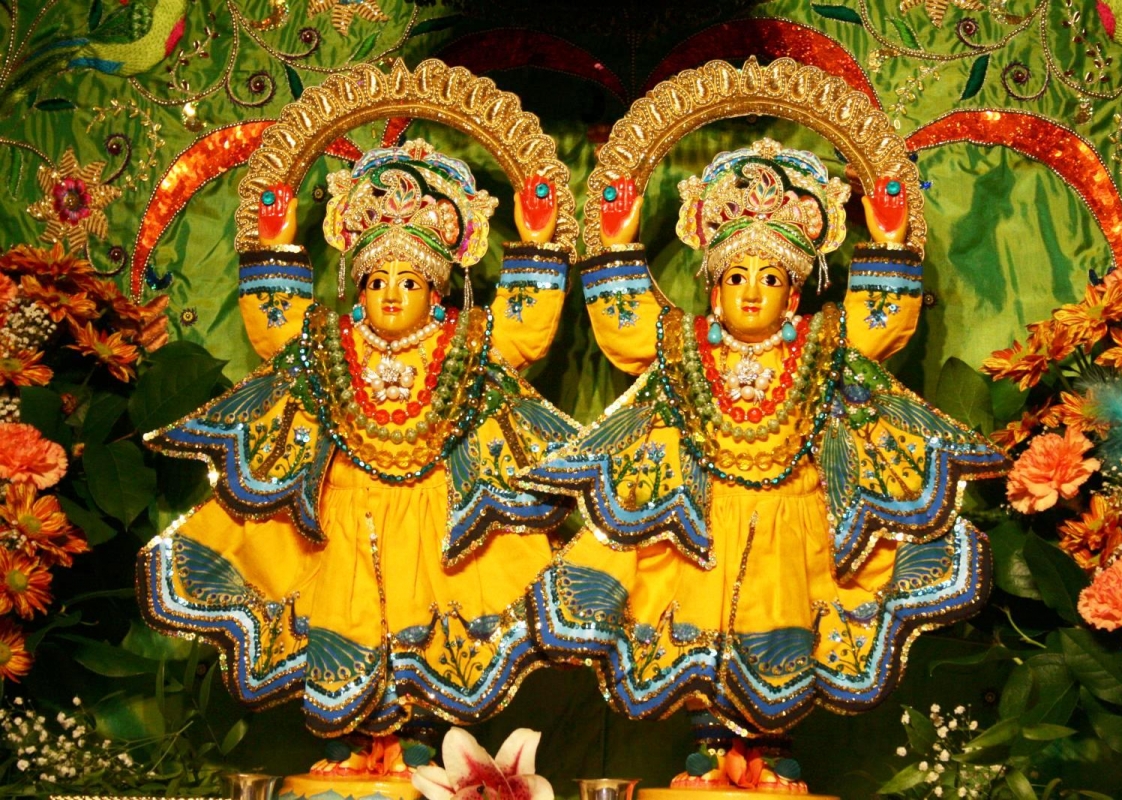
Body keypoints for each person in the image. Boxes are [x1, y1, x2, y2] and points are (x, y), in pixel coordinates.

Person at [520, 139, 1006, 789]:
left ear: (796, 294)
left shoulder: (821, 347)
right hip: (705, 531)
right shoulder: (687, 347)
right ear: (713, 290)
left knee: (784, 639)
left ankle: (771, 755)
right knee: (703, 641)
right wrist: (617, 246)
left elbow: (877, 326)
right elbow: (631, 332)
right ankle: (709, 753)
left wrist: (889, 243)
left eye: (770, 278)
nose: (752, 292)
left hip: (794, 529)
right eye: (736, 277)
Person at [137, 140, 578, 771]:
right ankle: (355, 750)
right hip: (340, 525)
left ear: (438, 290)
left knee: (428, 642)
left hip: (435, 529)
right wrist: (275, 247)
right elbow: (278, 330)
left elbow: (520, 332)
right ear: (356, 288)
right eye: (375, 280)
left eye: (409, 281)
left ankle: (420, 751)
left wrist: (536, 245)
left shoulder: (462, 344)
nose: (391, 295)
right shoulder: (328, 345)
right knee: (343, 635)